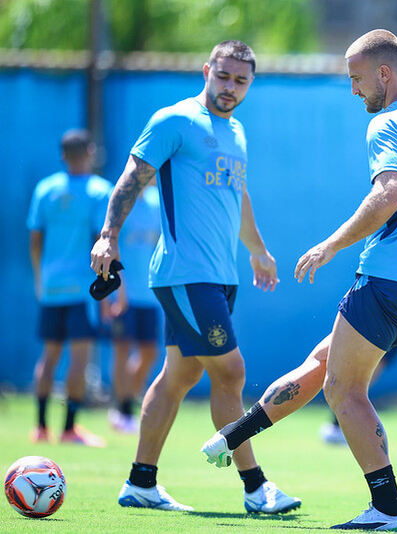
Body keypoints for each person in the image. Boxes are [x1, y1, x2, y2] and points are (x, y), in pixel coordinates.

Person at [201, 29, 397, 531]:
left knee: (344, 389)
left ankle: (388, 509)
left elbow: (389, 194)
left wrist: (331, 244)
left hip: (390, 277)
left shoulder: (389, 121)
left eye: (357, 79)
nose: (354, 89)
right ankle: (234, 436)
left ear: (384, 73)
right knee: (323, 363)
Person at [90, 40, 299, 514]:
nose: (230, 87)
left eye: (240, 80)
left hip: (221, 277)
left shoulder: (237, 132)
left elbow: (238, 196)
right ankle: (255, 487)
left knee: (177, 377)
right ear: (207, 70)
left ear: (250, 84)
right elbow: (133, 175)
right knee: (232, 371)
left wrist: (259, 250)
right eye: (222, 76)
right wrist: (108, 234)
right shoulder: (175, 120)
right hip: (186, 274)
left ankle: (141, 483)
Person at [27, 129, 111, 447]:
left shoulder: (45, 189)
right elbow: (100, 241)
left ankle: (39, 426)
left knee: (48, 357)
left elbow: (35, 240)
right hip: (82, 289)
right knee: (79, 358)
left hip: (51, 287)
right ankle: (69, 429)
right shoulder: (100, 191)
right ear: (90, 151)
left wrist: (40, 278)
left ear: (63, 155)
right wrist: (107, 291)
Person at [102, 184, 161, 434]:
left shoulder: (158, 202)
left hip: (150, 294)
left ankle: (124, 404)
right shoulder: (119, 203)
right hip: (123, 294)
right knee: (122, 350)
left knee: (149, 353)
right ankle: (124, 410)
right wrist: (117, 291)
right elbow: (109, 250)